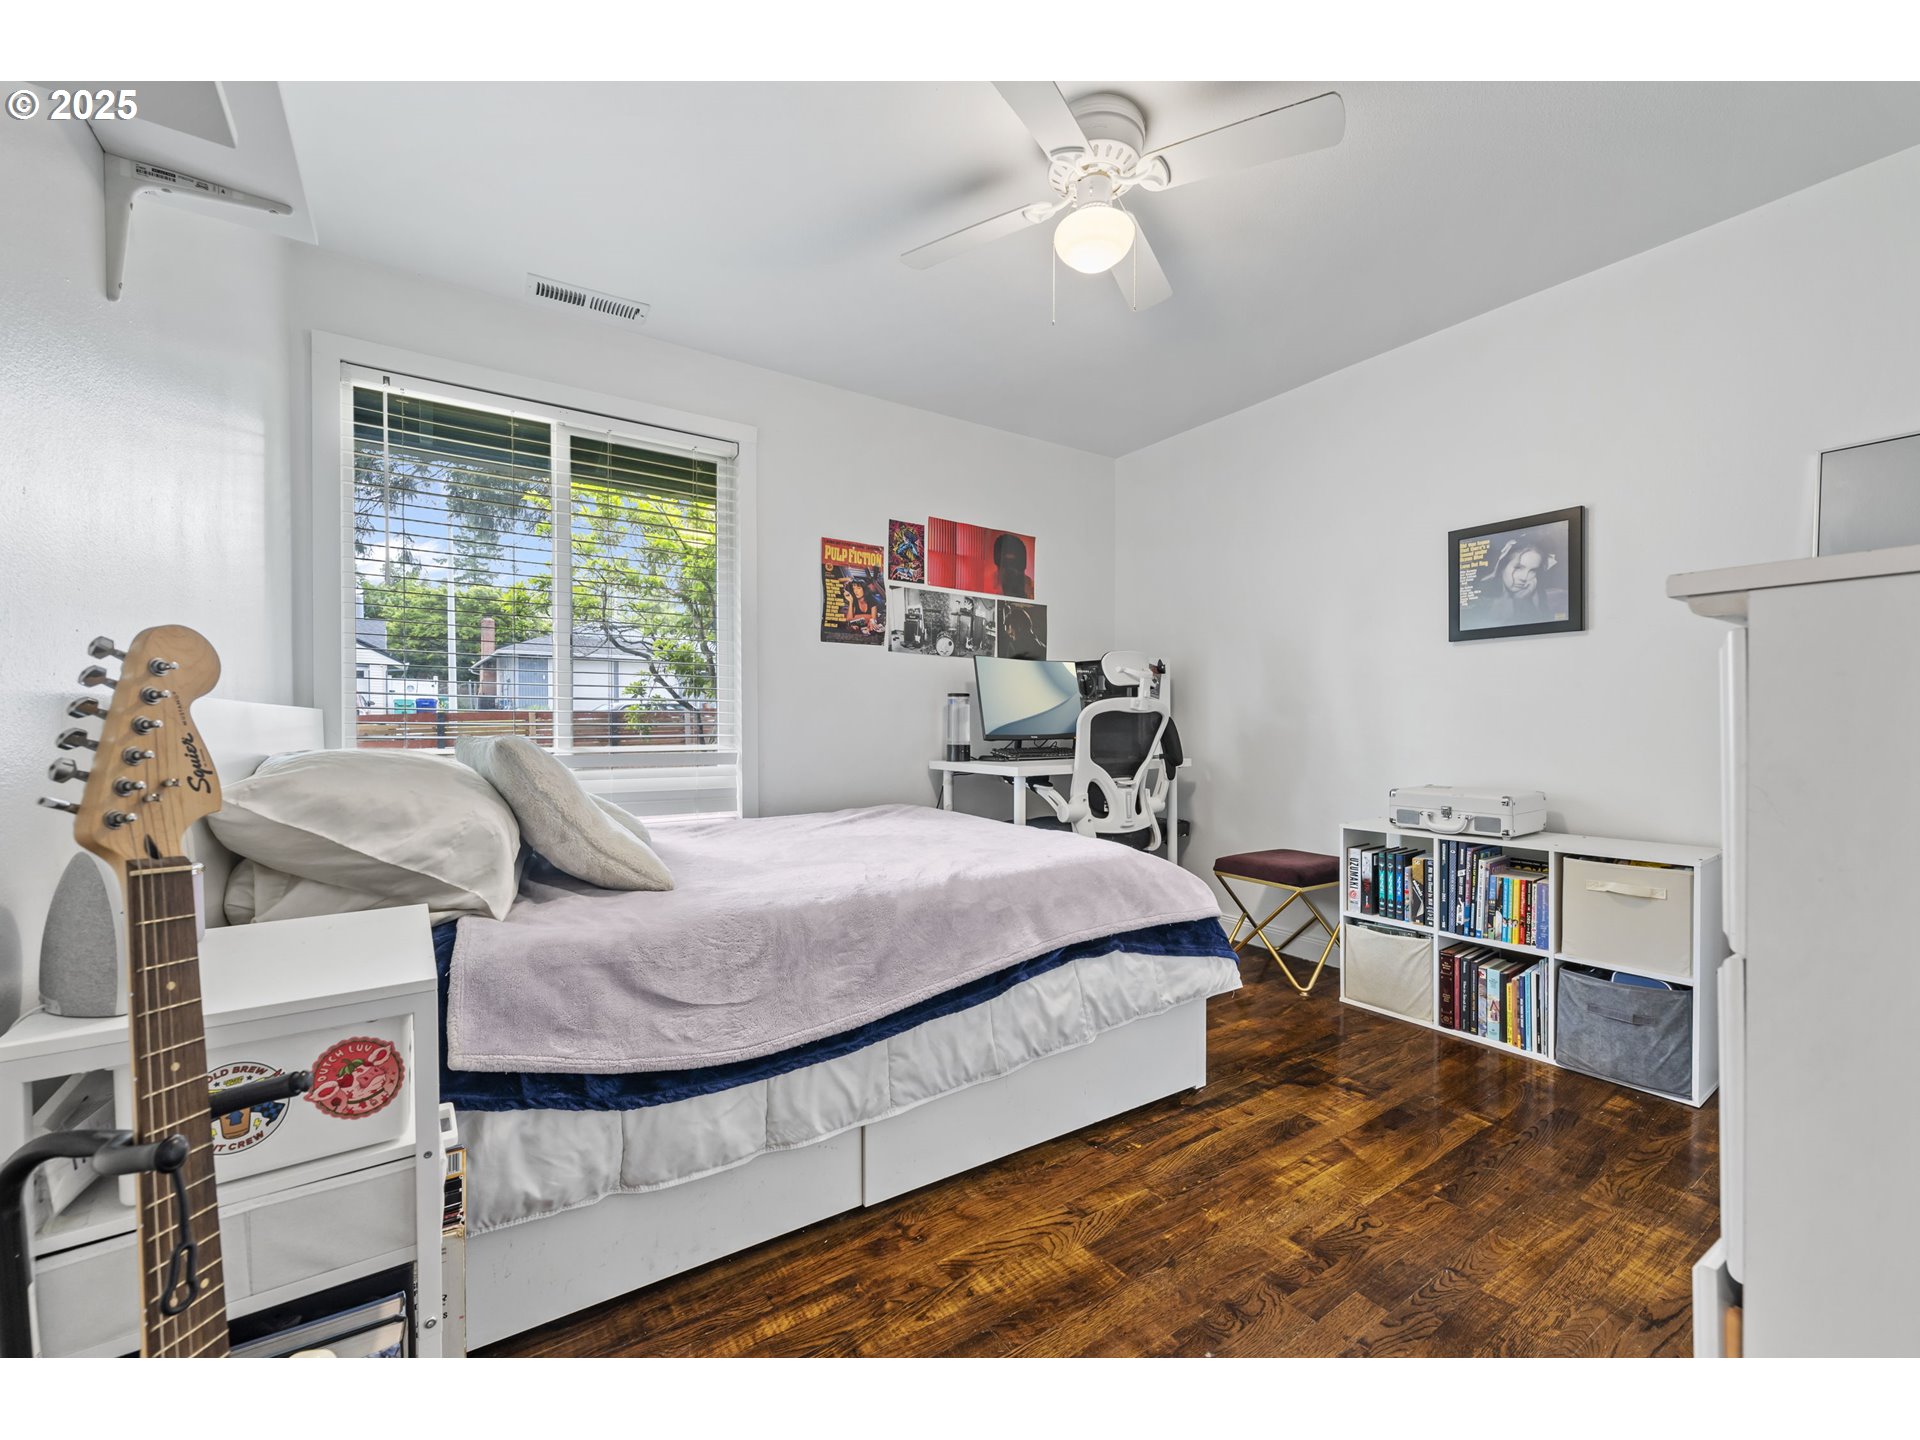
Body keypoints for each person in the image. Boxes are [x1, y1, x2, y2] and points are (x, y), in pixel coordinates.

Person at [991, 533, 1033, 599]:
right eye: (1006, 564)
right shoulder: (989, 586)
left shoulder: (1031, 588)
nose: (1011, 570)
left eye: (1015, 564)